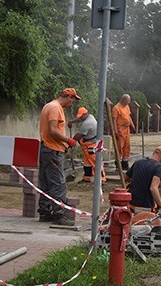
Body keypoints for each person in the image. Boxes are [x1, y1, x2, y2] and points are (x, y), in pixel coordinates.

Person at [38, 88, 81, 226]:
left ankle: (44, 212)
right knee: (58, 184)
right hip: (53, 151)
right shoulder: (56, 108)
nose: (73, 103)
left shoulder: (48, 106)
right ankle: (58, 215)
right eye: (73, 99)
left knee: (45, 182)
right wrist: (68, 140)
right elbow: (52, 130)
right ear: (68, 96)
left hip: (46, 149)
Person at [125, 146, 161, 229]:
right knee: (148, 226)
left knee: (132, 224)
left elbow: (125, 178)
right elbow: (153, 188)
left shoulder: (138, 162)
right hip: (146, 206)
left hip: (131, 204)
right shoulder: (159, 168)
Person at [68, 107, 106, 183]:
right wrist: (71, 121)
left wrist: (70, 142)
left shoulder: (87, 123)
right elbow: (79, 119)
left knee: (95, 162)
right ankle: (87, 178)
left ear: (85, 114)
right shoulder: (89, 117)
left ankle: (102, 179)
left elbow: (78, 135)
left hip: (91, 145)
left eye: (81, 116)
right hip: (88, 145)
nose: (80, 118)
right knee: (87, 163)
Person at [112, 94, 135, 170]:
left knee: (127, 147)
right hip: (120, 130)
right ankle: (118, 165)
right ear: (123, 100)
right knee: (119, 148)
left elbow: (129, 117)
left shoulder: (127, 107)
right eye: (128, 101)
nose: (128, 102)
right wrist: (115, 132)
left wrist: (132, 125)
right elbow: (114, 121)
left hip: (127, 130)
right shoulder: (116, 108)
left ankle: (125, 164)